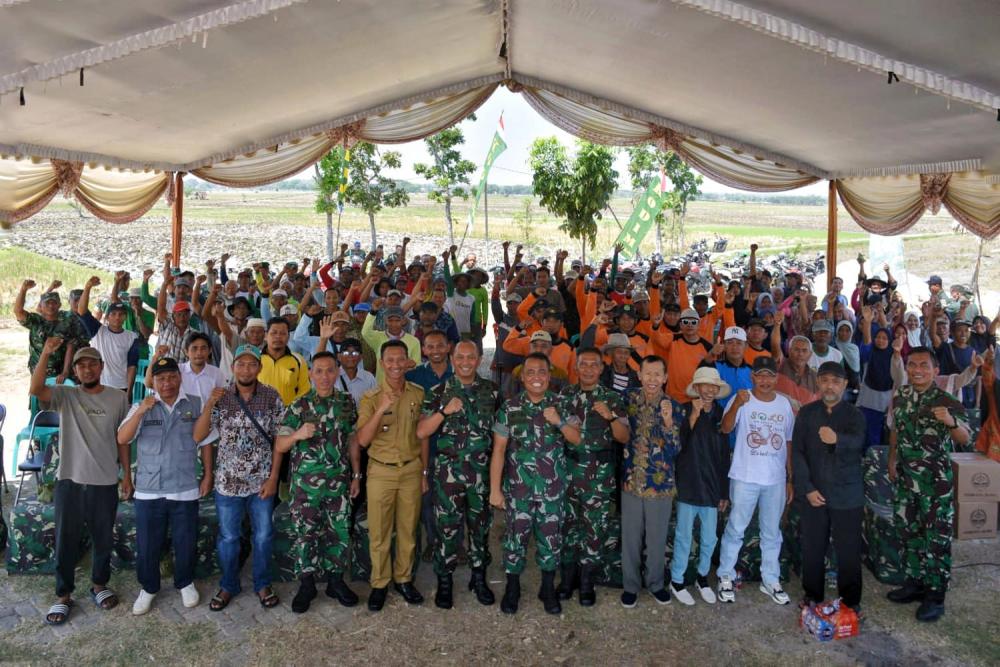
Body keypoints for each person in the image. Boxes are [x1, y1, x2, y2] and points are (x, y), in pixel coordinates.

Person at [30, 341, 130, 625]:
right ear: (75, 370)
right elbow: (36, 389)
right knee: (65, 541)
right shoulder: (66, 395)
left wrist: (127, 475)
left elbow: (122, 439)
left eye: (92, 364)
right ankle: (63, 595)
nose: (87, 369)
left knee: (103, 538)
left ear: (101, 367)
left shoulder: (118, 398)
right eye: (81, 365)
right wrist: (47, 353)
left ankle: (99, 585)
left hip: (105, 481)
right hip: (70, 480)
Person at [116, 357, 212, 615]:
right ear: (153, 382)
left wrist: (208, 475)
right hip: (149, 487)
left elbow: (205, 442)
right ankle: (148, 588)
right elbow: (123, 438)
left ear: (180, 378)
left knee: (185, 540)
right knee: (148, 543)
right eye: (161, 379)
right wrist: (140, 411)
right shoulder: (141, 405)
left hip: (184, 485)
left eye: (171, 377)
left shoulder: (195, 403)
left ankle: (185, 582)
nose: (167, 383)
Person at [193, 344, 284, 612]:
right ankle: (228, 584)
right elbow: (198, 436)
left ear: (260, 367)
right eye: (241, 364)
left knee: (264, 536)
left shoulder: (271, 397)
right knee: (229, 537)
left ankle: (262, 583)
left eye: (251, 364)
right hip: (227, 483)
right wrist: (210, 402)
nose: (246, 369)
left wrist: (274, 477)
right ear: (233, 368)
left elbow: (279, 440)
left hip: (261, 483)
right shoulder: (221, 397)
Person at [489, 353, 581, 615]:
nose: (536, 377)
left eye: (542, 372)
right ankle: (513, 587)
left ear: (549, 376)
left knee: (551, 540)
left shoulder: (561, 404)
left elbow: (577, 440)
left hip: (552, 491)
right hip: (518, 491)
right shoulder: (510, 407)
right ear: (522, 377)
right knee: (514, 540)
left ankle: (548, 588)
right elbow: (498, 450)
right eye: (531, 372)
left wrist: (559, 422)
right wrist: (495, 490)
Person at [886, 346, 970, 623]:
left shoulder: (946, 399)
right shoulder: (901, 396)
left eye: (924, 365)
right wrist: (891, 459)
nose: (917, 370)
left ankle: (935, 595)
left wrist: (949, 420)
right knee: (908, 533)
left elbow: (965, 437)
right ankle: (914, 583)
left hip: (936, 485)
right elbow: (896, 430)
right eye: (912, 365)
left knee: (936, 538)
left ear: (935, 370)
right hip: (906, 479)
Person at [416, 340, 501, 609]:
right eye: (460, 357)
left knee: (480, 528)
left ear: (479, 360)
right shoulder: (438, 391)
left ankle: (478, 578)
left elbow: (501, 438)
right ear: (453, 359)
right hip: (448, 475)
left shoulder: (492, 391)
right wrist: (444, 411)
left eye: (471, 357)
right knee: (447, 530)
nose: (466, 361)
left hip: (481, 475)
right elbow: (421, 432)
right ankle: (445, 581)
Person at [275, 352, 361, 613]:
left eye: (330, 371)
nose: (325, 376)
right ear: (310, 374)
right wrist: (298, 434)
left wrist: (357, 475)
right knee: (306, 534)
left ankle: (335, 581)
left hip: (339, 484)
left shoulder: (346, 403)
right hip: (306, 488)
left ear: (337, 373)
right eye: (319, 371)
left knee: (339, 533)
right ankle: (307, 584)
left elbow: (353, 441)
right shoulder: (299, 406)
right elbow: (280, 444)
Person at [353, 339, 429, 612]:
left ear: (407, 362)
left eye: (400, 360)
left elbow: (423, 437)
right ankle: (380, 583)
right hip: (380, 472)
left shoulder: (418, 394)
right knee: (379, 532)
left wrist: (423, 471)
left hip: (410, 469)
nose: (395, 365)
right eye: (390, 360)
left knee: (409, 530)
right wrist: (383, 406)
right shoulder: (371, 398)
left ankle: (404, 579)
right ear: (382, 364)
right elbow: (362, 440)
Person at [716, 356, 795, 606]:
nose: (764, 380)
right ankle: (725, 576)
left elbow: (788, 442)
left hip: (775, 479)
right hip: (745, 476)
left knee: (772, 532)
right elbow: (725, 429)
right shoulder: (742, 398)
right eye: (759, 375)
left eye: (769, 375)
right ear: (752, 377)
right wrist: (737, 405)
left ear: (776, 378)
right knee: (736, 529)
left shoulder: (784, 405)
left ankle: (770, 579)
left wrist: (790, 478)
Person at [556, 348, 630, 606]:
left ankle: (587, 582)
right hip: (568, 472)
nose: (588, 369)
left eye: (593, 365)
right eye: (583, 364)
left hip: (598, 476)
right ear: (576, 368)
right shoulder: (565, 396)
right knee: (567, 527)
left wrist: (609, 416)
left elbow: (623, 437)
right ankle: (568, 579)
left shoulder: (612, 398)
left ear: (601, 369)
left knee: (593, 529)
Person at [792, 362, 866, 613]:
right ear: (818, 383)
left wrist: (838, 440)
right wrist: (807, 488)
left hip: (848, 494)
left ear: (845, 385)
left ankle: (851, 601)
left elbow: (858, 443)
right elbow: (798, 454)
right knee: (812, 547)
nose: (830, 385)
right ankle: (812, 594)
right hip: (815, 493)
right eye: (824, 380)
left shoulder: (855, 414)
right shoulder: (806, 413)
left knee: (848, 550)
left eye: (836, 381)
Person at [620, 355, 682, 608]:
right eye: (648, 374)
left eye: (658, 374)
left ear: (665, 378)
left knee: (656, 540)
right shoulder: (629, 399)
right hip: (631, 483)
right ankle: (631, 587)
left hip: (660, 486)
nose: (652, 379)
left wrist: (668, 422)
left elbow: (676, 449)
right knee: (631, 539)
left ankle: (656, 584)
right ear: (639, 375)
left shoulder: (675, 407)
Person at [670, 366, 731, 606]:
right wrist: (693, 417)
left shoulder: (721, 413)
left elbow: (724, 455)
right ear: (696, 388)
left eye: (713, 386)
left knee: (709, 538)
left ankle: (702, 577)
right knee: (684, 536)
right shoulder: (683, 410)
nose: (709, 390)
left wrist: (724, 491)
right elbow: (678, 445)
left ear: (717, 390)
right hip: (688, 483)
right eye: (704, 385)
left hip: (713, 487)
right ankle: (677, 580)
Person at [77, 276, 141, 391]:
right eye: (113, 314)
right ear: (107, 317)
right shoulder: (98, 331)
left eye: (121, 314)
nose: (117, 317)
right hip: (97, 385)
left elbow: (132, 366)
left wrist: (129, 391)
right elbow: (82, 311)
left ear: (125, 317)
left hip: (121, 387)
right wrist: (87, 287)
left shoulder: (132, 337)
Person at [16, 281, 89, 382]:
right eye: (47, 303)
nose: (51, 306)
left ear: (59, 305)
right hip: (38, 371)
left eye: (54, 303)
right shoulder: (38, 321)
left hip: (64, 371)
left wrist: (65, 371)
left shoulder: (69, 322)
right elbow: (20, 311)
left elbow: (70, 346)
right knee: (39, 396)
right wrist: (24, 289)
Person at [336, 337, 377, 407]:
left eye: (355, 353)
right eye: (346, 353)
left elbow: (375, 403)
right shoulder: (332, 376)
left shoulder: (368, 378)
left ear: (360, 357)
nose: (350, 356)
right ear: (339, 356)